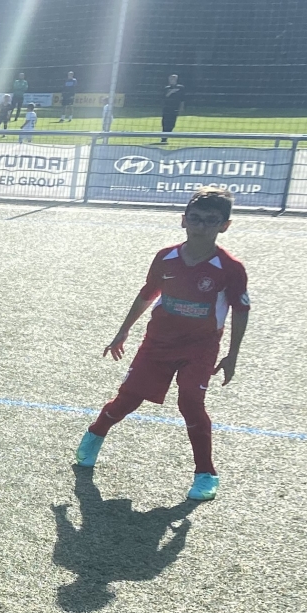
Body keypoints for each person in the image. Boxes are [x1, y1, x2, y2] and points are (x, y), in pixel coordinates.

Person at [76, 187, 248, 502]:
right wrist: (123, 331)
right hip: (158, 343)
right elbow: (148, 294)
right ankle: (95, 434)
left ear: (224, 225)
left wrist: (232, 354)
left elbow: (240, 310)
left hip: (200, 347)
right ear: (183, 220)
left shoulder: (230, 268)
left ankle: (205, 474)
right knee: (128, 399)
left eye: (211, 220)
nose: (201, 226)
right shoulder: (166, 257)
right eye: (195, 218)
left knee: (191, 402)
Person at [161, 74, 185, 141]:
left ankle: (167, 135)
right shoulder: (166, 88)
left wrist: (181, 107)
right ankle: (163, 137)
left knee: (172, 123)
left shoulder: (180, 88)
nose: (171, 80)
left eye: (173, 79)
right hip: (166, 108)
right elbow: (164, 97)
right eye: (170, 79)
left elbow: (182, 99)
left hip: (175, 108)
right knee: (165, 123)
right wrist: (171, 92)